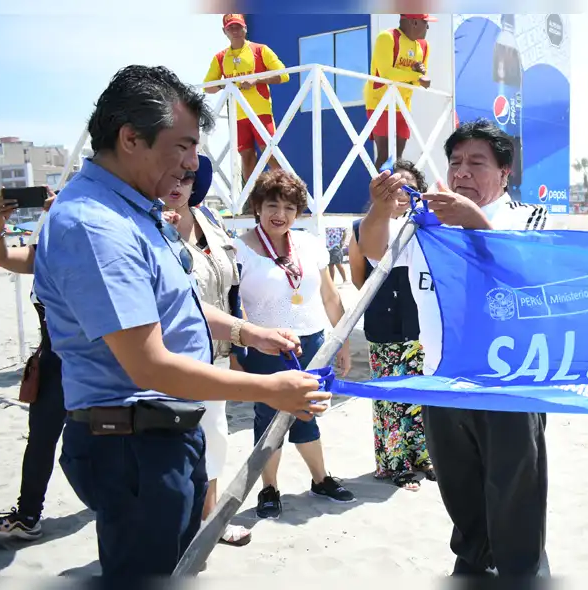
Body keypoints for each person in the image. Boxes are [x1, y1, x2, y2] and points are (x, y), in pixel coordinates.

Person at [32, 65, 331, 578]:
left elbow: (175, 306)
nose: (192, 164)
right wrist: (266, 388)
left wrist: (246, 331)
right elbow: (148, 365)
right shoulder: (96, 225)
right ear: (131, 138)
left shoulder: (134, 212)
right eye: (184, 146)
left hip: (164, 438)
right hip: (133, 449)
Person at [360, 119, 549, 578]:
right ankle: (473, 562)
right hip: (442, 381)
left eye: (477, 162)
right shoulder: (423, 226)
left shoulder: (526, 218)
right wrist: (380, 209)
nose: (462, 171)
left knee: (515, 496)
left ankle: (521, 572)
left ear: (505, 173)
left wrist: (474, 221)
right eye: (456, 162)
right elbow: (372, 250)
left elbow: (524, 278)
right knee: (459, 490)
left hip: (509, 386)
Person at [233, 169, 355, 518]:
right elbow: (232, 306)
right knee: (268, 417)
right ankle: (268, 488)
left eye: (289, 208)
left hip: (313, 340)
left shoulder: (310, 244)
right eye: (272, 204)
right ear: (257, 206)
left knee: (308, 411)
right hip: (266, 345)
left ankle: (321, 479)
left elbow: (331, 297)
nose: (280, 214)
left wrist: (340, 338)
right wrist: (238, 352)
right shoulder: (239, 248)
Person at [161, 154, 251, 547]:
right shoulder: (144, 225)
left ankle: (207, 521)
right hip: (169, 359)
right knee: (173, 447)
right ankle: (176, 528)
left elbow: (232, 289)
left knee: (215, 437)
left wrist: (237, 345)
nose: (179, 182)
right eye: (171, 173)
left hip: (215, 351)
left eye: (188, 175)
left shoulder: (209, 219)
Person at [0, 188, 62, 541]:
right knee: (41, 439)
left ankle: (118, 506)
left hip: (92, 364)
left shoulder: (91, 256)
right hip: (52, 362)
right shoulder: (41, 257)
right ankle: (27, 516)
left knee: (94, 442)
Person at [349, 159, 433, 491]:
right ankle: (394, 464)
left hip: (420, 324)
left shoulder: (427, 228)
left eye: (408, 186)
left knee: (420, 393)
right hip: (383, 322)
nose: (400, 193)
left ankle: (423, 456)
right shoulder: (362, 226)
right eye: (394, 186)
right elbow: (359, 279)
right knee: (388, 397)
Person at [203, 14, 289, 185]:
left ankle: (288, 193)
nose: (235, 31)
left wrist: (257, 79)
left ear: (245, 28)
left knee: (270, 153)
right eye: (231, 28)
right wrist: (226, 85)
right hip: (238, 116)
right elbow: (208, 86)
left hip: (260, 112)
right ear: (224, 31)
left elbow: (284, 75)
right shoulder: (220, 57)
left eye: (238, 27)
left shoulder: (260, 49)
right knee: (246, 156)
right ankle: (252, 200)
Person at [365, 14, 435, 169]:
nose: (428, 27)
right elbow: (386, 74)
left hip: (403, 106)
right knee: (384, 155)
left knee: (398, 157)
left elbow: (421, 81)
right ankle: (376, 193)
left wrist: (420, 75)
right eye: (426, 23)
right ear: (414, 22)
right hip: (380, 103)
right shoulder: (387, 37)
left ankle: (395, 192)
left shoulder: (424, 46)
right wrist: (417, 76)